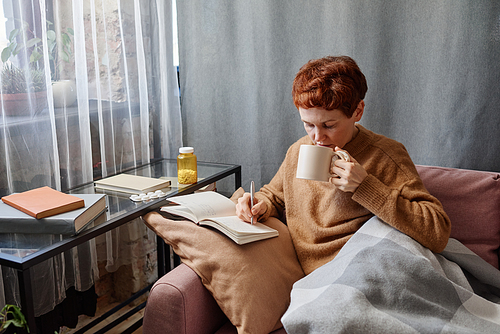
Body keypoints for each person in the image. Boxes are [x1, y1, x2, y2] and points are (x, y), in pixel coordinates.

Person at [235, 55, 451, 275]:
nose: (317, 137)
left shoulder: (386, 154)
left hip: (371, 266)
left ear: (357, 111)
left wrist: (365, 187)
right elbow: (274, 196)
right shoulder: (298, 151)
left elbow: (438, 232)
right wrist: (258, 204)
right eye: (308, 124)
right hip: (320, 277)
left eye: (329, 125)